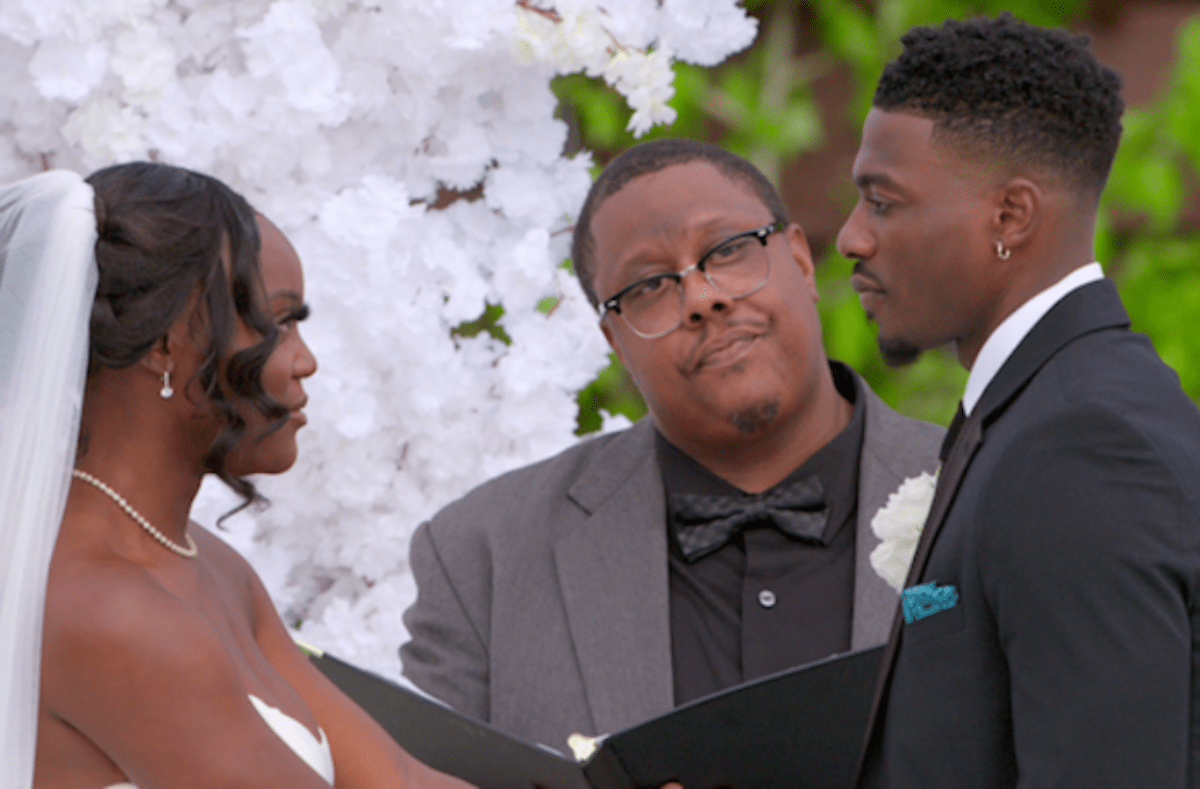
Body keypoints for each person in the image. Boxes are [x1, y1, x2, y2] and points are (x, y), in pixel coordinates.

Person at [400, 139, 943, 751]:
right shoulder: (482, 558)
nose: (703, 298)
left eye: (729, 250)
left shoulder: (990, 493)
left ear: (800, 260)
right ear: (615, 340)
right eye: (652, 285)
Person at [0, 163, 470, 788]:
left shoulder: (213, 568)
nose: (306, 360)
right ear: (166, 343)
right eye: (278, 323)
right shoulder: (108, 610)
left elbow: (401, 781)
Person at [835, 13, 1200, 788]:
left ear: (1010, 217)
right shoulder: (1043, 408)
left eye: (884, 201)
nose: (850, 237)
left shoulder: (1081, 446)